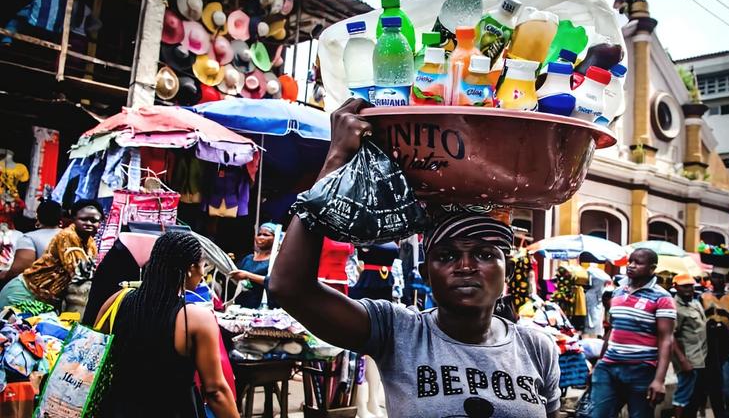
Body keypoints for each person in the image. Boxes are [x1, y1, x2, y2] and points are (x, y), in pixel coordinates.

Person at [270, 98, 561, 417]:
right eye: (447, 255)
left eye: (484, 253)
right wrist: (337, 159)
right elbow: (289, 288)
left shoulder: (537, 349)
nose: (465, 266)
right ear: (425, 271)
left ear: (505, 269)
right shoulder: (399, 332)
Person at [96, 231, 238, 417]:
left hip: (117, 409)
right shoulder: (195, 318)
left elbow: (94, 355)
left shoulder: (116, 300)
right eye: (203, 266)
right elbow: (215, 391)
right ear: (190, 268)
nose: (203, 274)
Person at [590, 248, 676, 418]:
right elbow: (612, 330)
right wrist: (599, 363)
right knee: (596, 415)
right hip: (608, 368)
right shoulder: (618, 292)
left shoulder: (662, 298)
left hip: (641, 370)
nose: (631, 266)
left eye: (638, 263)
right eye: (630, 261)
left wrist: (659, 380)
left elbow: (666, 339)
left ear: (652, 268)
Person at [0, 199, 101, 308]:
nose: (89, 224)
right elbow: (79, 275)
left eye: (94, 220)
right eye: (84, 219)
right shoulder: (67, 236)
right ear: (73, 219)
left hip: (45, 301)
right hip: (25, 294)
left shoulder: (90, 243)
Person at [700, 267, 729, 417]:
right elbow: (698, 319)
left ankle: (728, 412)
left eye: (719, 277)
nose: (716, 280)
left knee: (727, 382)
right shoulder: (703, 297)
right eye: (714, 277)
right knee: (706, 381)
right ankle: (703, 411)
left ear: (725, 280)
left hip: (728, 344)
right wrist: (707, 314)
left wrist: (727, 315)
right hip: (707, 345)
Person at [0, 199, 62, 288]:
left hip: (38, 291)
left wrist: (4, 275)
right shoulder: (71, 236)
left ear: (38, 217)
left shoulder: (29, 238)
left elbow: (19, 271)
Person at [671, 274, 708, 418]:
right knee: (683, 394)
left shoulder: (695, 303)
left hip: (701, 358)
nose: (689, 289)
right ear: (676, 287)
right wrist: (682, 360)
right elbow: (670, 336)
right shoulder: (675, 307)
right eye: (685, 286)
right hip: (688, 358)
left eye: (691, 286)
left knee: (696, 394)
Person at [229, 222, 277, 309]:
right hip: (243, 305)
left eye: (266, 235)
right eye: (259, 234)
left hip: (263, 306)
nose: (261, 237)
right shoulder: (248, 258)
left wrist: (248, 275)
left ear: (275, 238)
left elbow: (275, 282)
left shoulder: (276, 260)